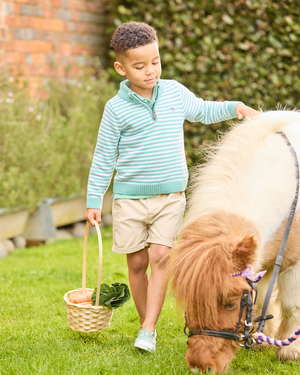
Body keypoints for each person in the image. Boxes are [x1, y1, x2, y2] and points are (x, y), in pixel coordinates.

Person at [84, 21, 258, 352]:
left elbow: (203, 110)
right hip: (129, 200)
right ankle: (144, 321)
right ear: (121, 68)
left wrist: (232, 107)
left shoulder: (175, 92)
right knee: (136, 263)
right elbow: (104, 157)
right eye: (139, 66)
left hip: (170, 198)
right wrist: (94, 199)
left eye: (156, 61)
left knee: (161, 256)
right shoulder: (115, 109)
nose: (151, 71)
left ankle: (148, 330)